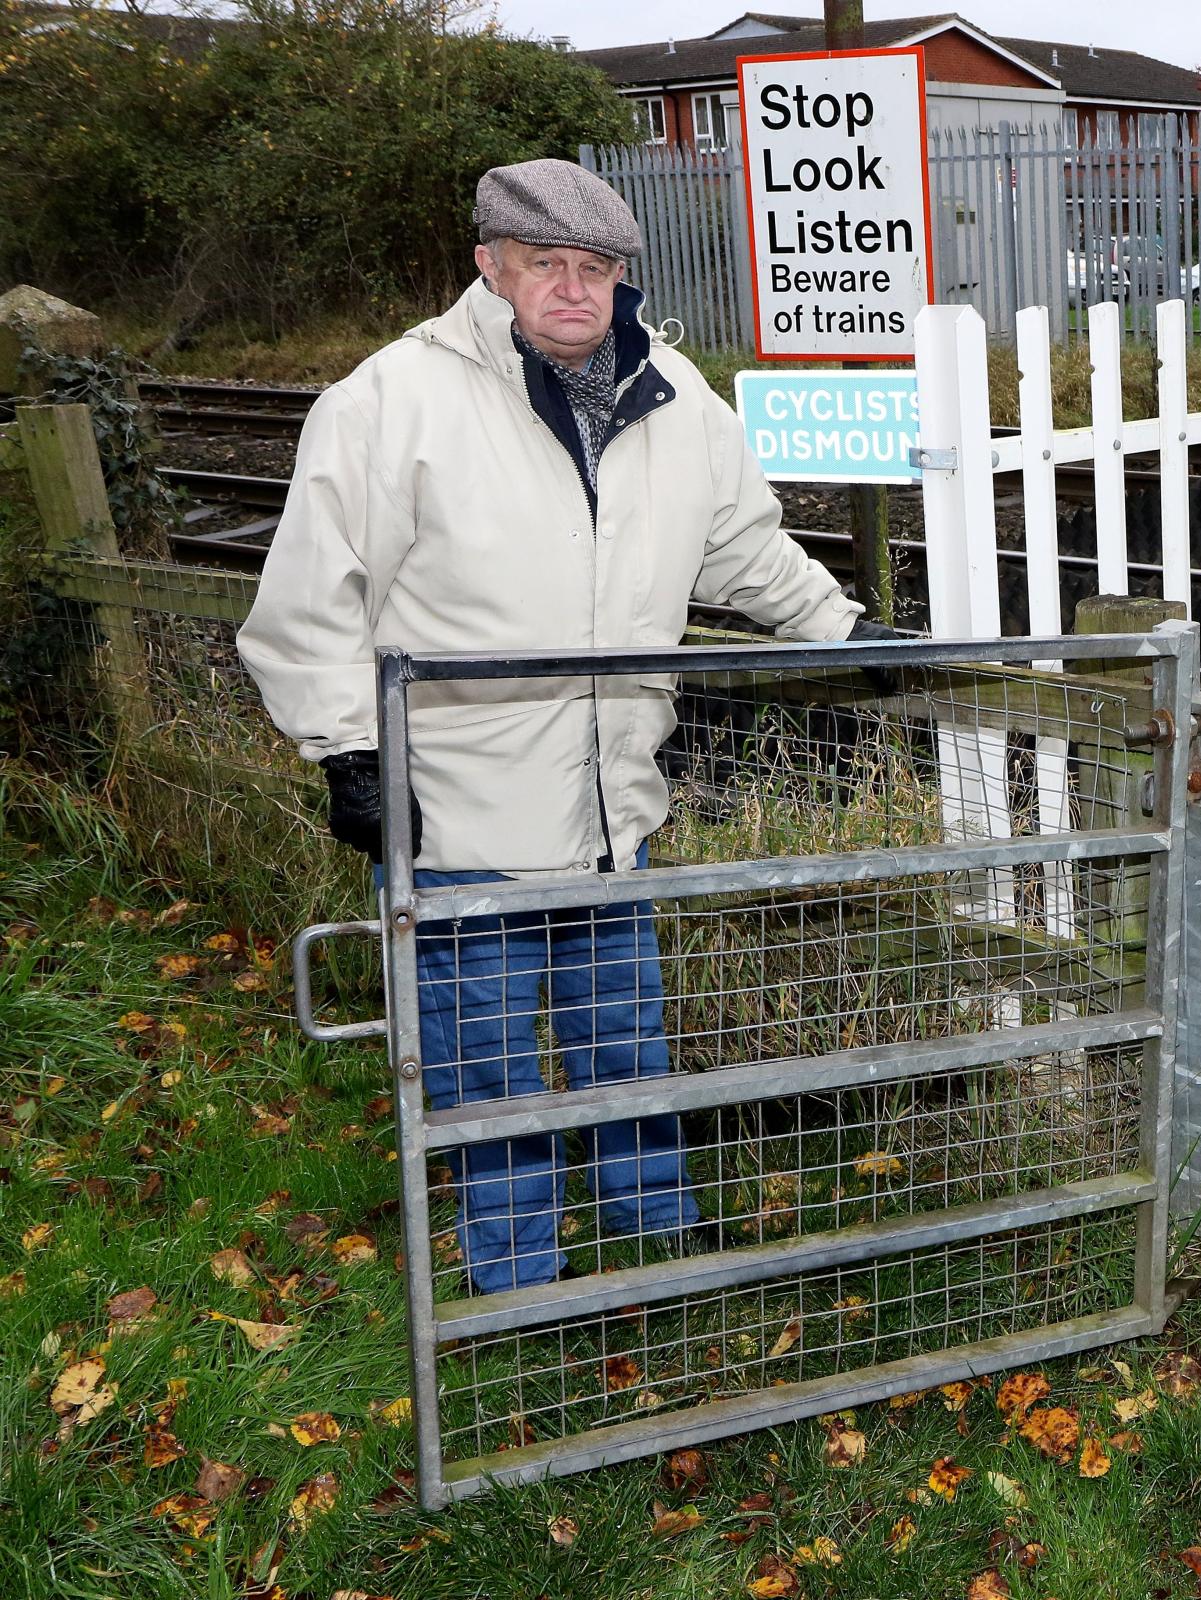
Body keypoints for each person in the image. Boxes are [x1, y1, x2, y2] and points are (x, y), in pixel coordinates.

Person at [238, 158, 895, 1293]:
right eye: (547, 265)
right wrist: (347, 749)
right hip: (464, 814)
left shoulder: (677, 398)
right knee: (488, 1065)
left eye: (596, 269)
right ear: (491, 267)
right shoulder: (393, 402)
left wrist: (843, 627)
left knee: (623, 1043)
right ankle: (518, 1274)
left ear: (622, 279)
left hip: (612, 802)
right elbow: (313, 593)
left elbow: (741, 546)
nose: (575, 290)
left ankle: (650, 1223)